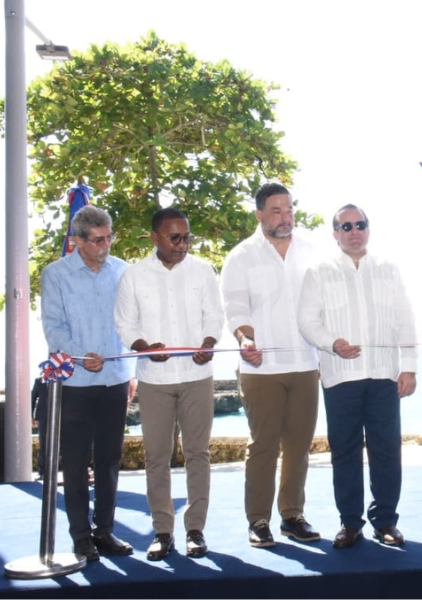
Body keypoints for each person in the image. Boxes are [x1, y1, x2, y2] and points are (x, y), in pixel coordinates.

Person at [297, 205, 417, 548]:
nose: (354, 231)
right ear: (335, 233)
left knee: (387, 451)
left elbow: (405, 319)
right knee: (345, 453)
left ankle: (386, 522)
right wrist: (331, 343)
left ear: (368, 229)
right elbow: (307, 321)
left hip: (384, 376)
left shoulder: (388, 269)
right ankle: (350, 523)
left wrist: (409, 366)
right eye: (346, 226)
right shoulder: (318, 273)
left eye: (360, 224)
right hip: (341, 377)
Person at [114, 207, 225, 560]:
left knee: (198, 454)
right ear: (155, 238)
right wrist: (144, 347)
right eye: (174, 238)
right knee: (157, 457)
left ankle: (195, 530)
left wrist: (209, 343)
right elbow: (125, 324)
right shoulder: (134, 276)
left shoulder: (203, 271)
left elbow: (215, 316)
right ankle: (163, 531)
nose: (182, 244)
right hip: (154, 380)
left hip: (197, 377)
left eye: (187, 237)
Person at [221, 183, 323, 548]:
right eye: (277, 211)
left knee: (299, 447)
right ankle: (258, 520)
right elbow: (235, 308)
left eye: (289, 209)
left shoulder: (312, 252)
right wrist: (245, 339)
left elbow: (323, 305)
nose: (285, 217)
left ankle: (292, 515)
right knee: (263, 446)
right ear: (260, 214)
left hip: (306, 363)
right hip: (260, 368)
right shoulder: (241, 256)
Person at [40, 204, 135, 561]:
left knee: (110, 460)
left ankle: (105, 530)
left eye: (109, 238)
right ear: (77, 241)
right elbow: (53, 327)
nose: (105, 246)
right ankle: (80, 536)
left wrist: (132, 373)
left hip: (115, 380)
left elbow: (131, 324)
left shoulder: (123, 271)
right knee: (76, 463)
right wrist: (81, 355)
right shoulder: (55, 274)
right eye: (97, 240)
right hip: (74, 383)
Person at [30, 377, 49, 480]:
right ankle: (42, 472)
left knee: (65, 445)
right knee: (43, 445)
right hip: (43, 417)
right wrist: (31, 416)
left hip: (62, 417)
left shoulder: (64, 378)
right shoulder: (39, 380)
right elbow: (32, 398)